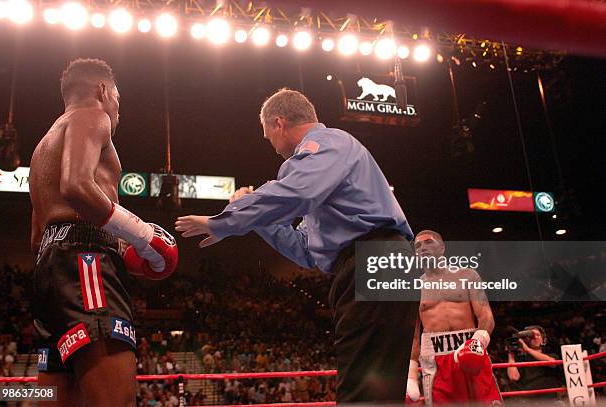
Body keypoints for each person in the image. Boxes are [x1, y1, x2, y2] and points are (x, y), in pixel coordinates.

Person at [176, 88, 417, 403]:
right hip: (376, 262)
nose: (274, 148)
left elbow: (295, 192)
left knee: (363, 387)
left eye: (268, 137)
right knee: (377, 387)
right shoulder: (323, 176)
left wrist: (226, 220)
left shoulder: (329, 143)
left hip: (375, 260)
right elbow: (306, 250)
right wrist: (251, 217)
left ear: (279, 123)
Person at [29, 58, 177, 406]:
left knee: (61, 397)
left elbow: (37, 236)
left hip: (51, 272)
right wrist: (140, 233)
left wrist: (119, 242)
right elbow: (76, 185)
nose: (117, 110)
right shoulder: (93, 116)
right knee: (115, 401)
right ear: (103, 91)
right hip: (86, 261)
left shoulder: (42, 148)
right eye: (118, 100)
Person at [407, 230, 502, 406]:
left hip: (472, 350)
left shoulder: (467, 275)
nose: (423, 248)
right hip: (435, 360)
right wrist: (412, 375)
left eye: (429, 242)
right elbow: (414, 336)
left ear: (442, 248)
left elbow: (486, 316)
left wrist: (476, 344)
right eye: (418, 246)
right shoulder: (413, 288)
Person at [507, 325, 562, 403]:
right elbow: (513, 377)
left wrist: (527, 349)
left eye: (538, 335)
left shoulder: (552, 355)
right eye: (531, 336)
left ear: (543, 339)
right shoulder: (520, 360)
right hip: (530, 401)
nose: (535, 337)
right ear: (526, 340)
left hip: (549, 400)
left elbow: (552, 362)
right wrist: (511, 354)